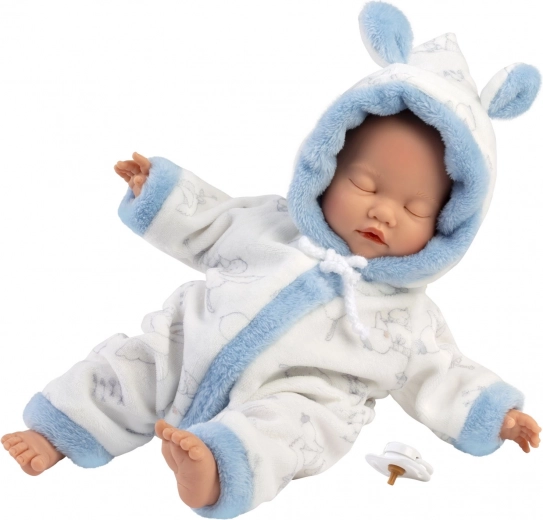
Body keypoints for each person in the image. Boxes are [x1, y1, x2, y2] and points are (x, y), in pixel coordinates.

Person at [2, 2, 542, 519]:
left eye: (416, 208)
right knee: (135, 363)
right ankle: (60, 431)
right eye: (364, 183)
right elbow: (210, 219)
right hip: (190, 344)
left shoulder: (409, 318)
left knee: (294, 428)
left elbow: (441, 373)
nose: (383, 211)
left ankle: (219, 468)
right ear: (326, 167)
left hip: (295, 395)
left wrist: (495, 415)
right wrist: (159, 192)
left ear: (448, 227)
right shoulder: (270, 223)